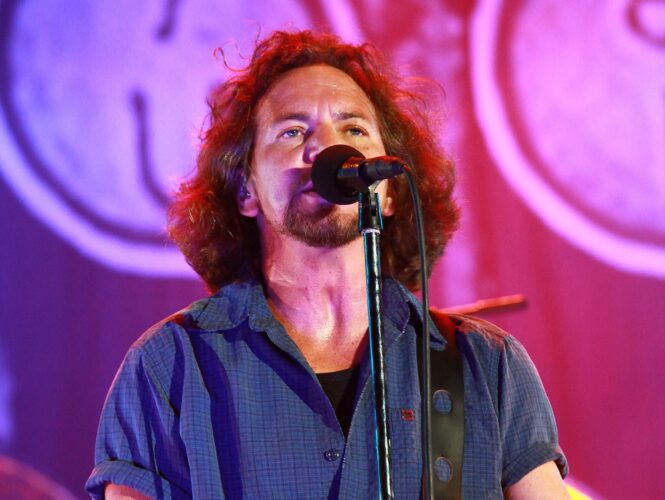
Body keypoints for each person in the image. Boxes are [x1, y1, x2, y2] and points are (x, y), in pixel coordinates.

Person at [86, 30, 568, 499]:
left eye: (354, 129)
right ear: (246, 190)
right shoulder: (171, 365)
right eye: (293, 131)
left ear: (390, 191)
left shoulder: (486, 364)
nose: (328, 148)